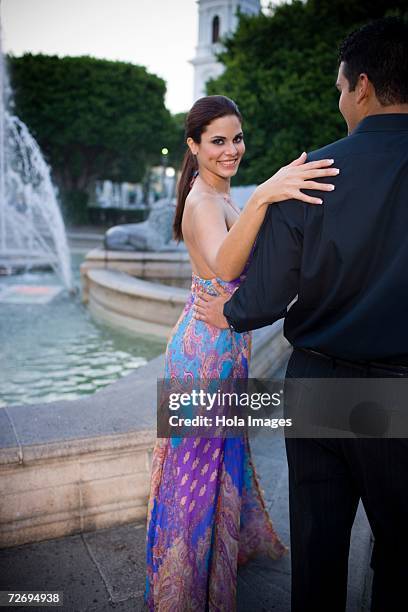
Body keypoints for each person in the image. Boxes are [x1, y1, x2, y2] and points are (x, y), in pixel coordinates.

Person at [194, 17, 408, 612]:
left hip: (316, 386)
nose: (340, 101)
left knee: (316, 550)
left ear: (360, 86)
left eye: (340, 89)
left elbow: (262, 297)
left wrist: (227, 316)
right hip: (400, 391)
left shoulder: (310, 175)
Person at [144, 94, 338, 611]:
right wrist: (263, 198)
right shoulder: (204, 202)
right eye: (217, 141)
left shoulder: (223, 195)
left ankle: (213, 572)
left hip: (225, 345)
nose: (231, 150)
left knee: (217, 461)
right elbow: (226, 268)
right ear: (193, 145)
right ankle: (180, 596)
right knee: (194, 473)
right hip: (203, 351)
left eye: (236, 138)